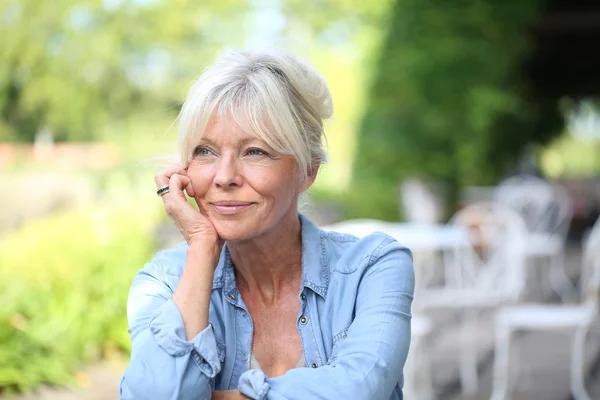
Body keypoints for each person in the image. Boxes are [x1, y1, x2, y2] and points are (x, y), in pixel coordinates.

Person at [119, 48, 415, 400]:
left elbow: (358, 390)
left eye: (255, 151)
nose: (225, 176)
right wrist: (200, 248)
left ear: (307, 171)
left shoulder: (373, 267)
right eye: (205, 152)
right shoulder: (164, 281)